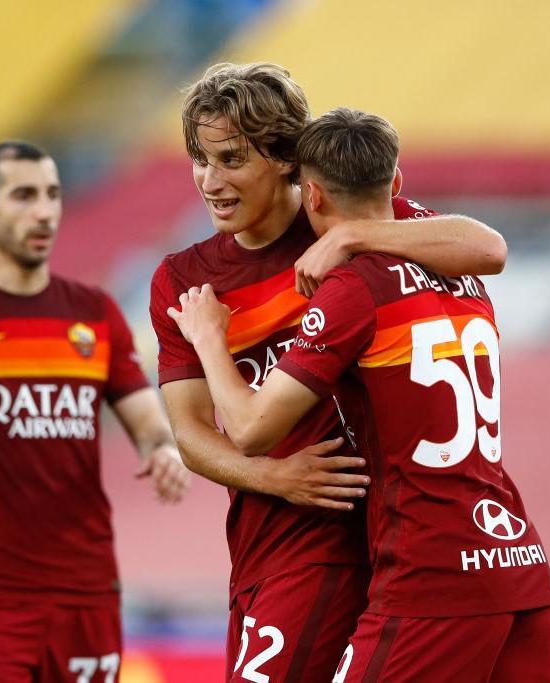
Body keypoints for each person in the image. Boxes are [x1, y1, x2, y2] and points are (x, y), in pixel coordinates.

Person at [149, 63, 509, 683]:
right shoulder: (183, 279)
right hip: (265, 540)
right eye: (198, 159)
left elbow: (487, 247)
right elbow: (188, 432)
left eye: (231, 160)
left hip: (342, 544)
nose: (210, 181)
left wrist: (353, 237)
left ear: (290, 161)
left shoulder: (340, 224)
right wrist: (272, 477)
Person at [0, 141, 191, 682]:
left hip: (86, 588)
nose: (45, 210)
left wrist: (161, 449)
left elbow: (144, 417)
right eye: (24, 195)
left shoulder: (93, 312)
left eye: (52, 195)